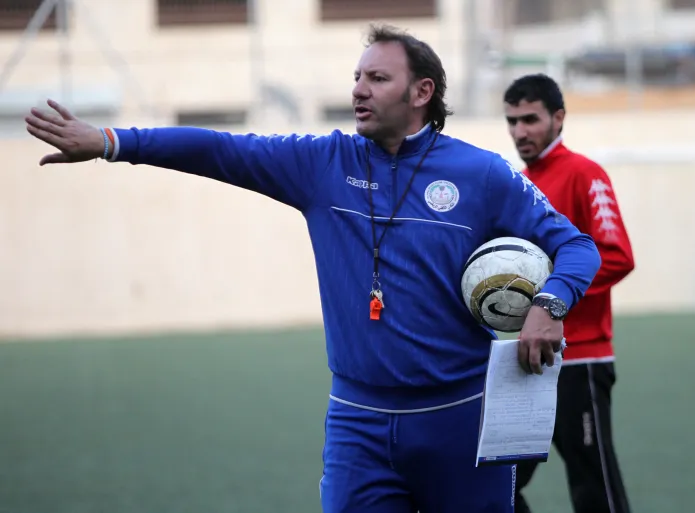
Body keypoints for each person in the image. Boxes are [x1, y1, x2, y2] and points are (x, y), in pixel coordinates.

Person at [25, 25, 601, 513]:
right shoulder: (321, 162)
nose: (358, 90)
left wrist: (549, 307)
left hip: (460, 419)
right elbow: (220, 150)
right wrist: (109, 140)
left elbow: (578, 247)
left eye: (377, 78)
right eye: (357, 77)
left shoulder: (483, 174)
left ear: (422, 91)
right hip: (359, 424)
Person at [503, 73, 635, 513]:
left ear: (558, 118)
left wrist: (549, 299)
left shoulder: (585, 173)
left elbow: (615, 255)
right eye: (512, 121)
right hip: (525, 361)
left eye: (530, 119)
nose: (520, 131)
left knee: (594, 488)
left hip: (580, 361)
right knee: (492, 482)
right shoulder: (517, 184)